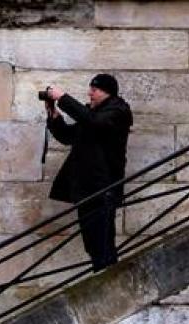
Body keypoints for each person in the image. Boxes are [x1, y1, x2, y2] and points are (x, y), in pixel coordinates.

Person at [44, 73, 133, 272]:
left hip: (103, 187)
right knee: (92, 243)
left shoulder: (117, 111)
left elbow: (95, 123)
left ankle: (108, 279)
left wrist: (62, 97)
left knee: (102, 242)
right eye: (90, 89)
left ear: (107, 92)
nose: (90, 93)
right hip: (86, 187)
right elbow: (68, 137)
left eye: (95, 89)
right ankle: (101, 274)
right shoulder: (93, 113)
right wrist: (55, 116)